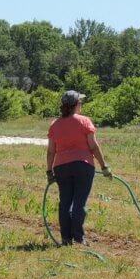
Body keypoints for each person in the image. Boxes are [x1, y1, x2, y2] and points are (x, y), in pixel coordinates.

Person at [46, 90, 111, 245]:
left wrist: (49, 171)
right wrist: (104, 166)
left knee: (65, 202)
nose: (81, 105)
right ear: (76, 105)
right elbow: (93, 147)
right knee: (79, 202)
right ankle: (79, 237)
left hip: (61, 167)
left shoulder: (55, 125)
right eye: (80, 102)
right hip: (83, 166)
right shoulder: (84, 121)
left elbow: (50, 151)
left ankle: (66, 239)